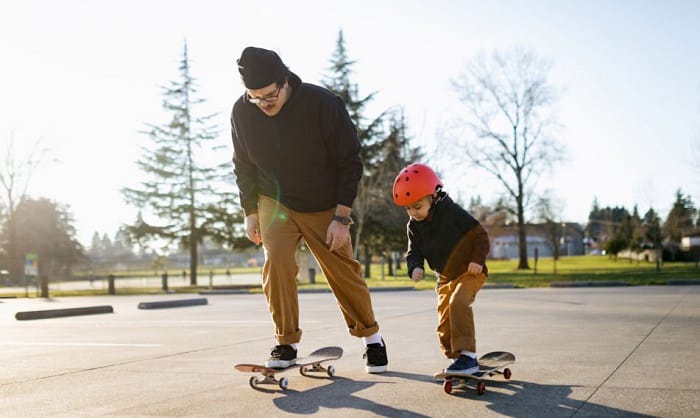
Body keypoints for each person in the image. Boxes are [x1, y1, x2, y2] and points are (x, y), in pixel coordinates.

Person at [230, 46, 388, 373]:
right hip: (274, 202)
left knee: (341, 270)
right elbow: (243, 165)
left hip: (324, 203)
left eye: (270, 95)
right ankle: (286, 343)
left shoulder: (323, 104)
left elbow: (350, 162)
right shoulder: (242, 112)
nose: (263, 104)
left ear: (285, 80)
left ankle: (372, 339)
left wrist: (341, 217)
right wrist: (250, 211)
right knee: (277, 263)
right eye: (255, 97)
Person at [392, 163, 489, 375]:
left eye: (417, 206)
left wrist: (477, 259)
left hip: (470, 271)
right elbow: (413, 252)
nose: (412, 213)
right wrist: (415, 267)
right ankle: (458, 360)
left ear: (433, 197)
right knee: (444, 324)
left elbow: (480, 235)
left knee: (458, 303)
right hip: (445, 277)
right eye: (407, 208)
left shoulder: (452, 212)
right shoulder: (413, 226)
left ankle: (469, 357)